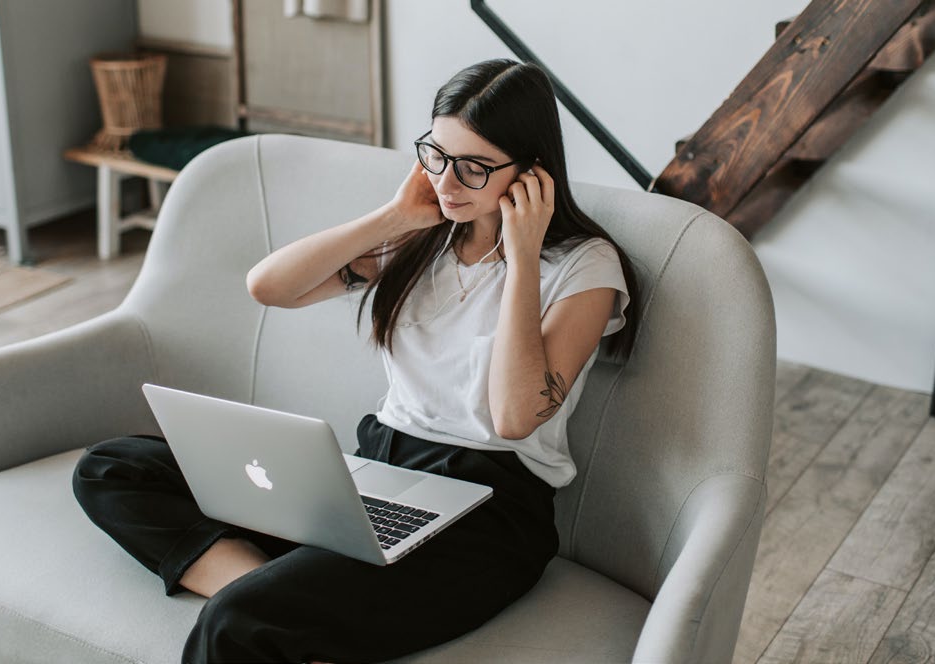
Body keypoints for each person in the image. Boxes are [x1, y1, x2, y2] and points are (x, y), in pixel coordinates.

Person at [73, 58, 638, 664]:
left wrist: (523, 257)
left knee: (235, 625)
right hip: (377, 474)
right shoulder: (426, 239)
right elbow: (269, 286)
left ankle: (274, 603)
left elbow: (513, 417)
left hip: (488, 517)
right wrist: (395, 216)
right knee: (112, 468)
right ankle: (275, 594)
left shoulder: (585, 266)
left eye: (474, 169)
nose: (447, 183)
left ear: (532, 174)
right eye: (436, 155)